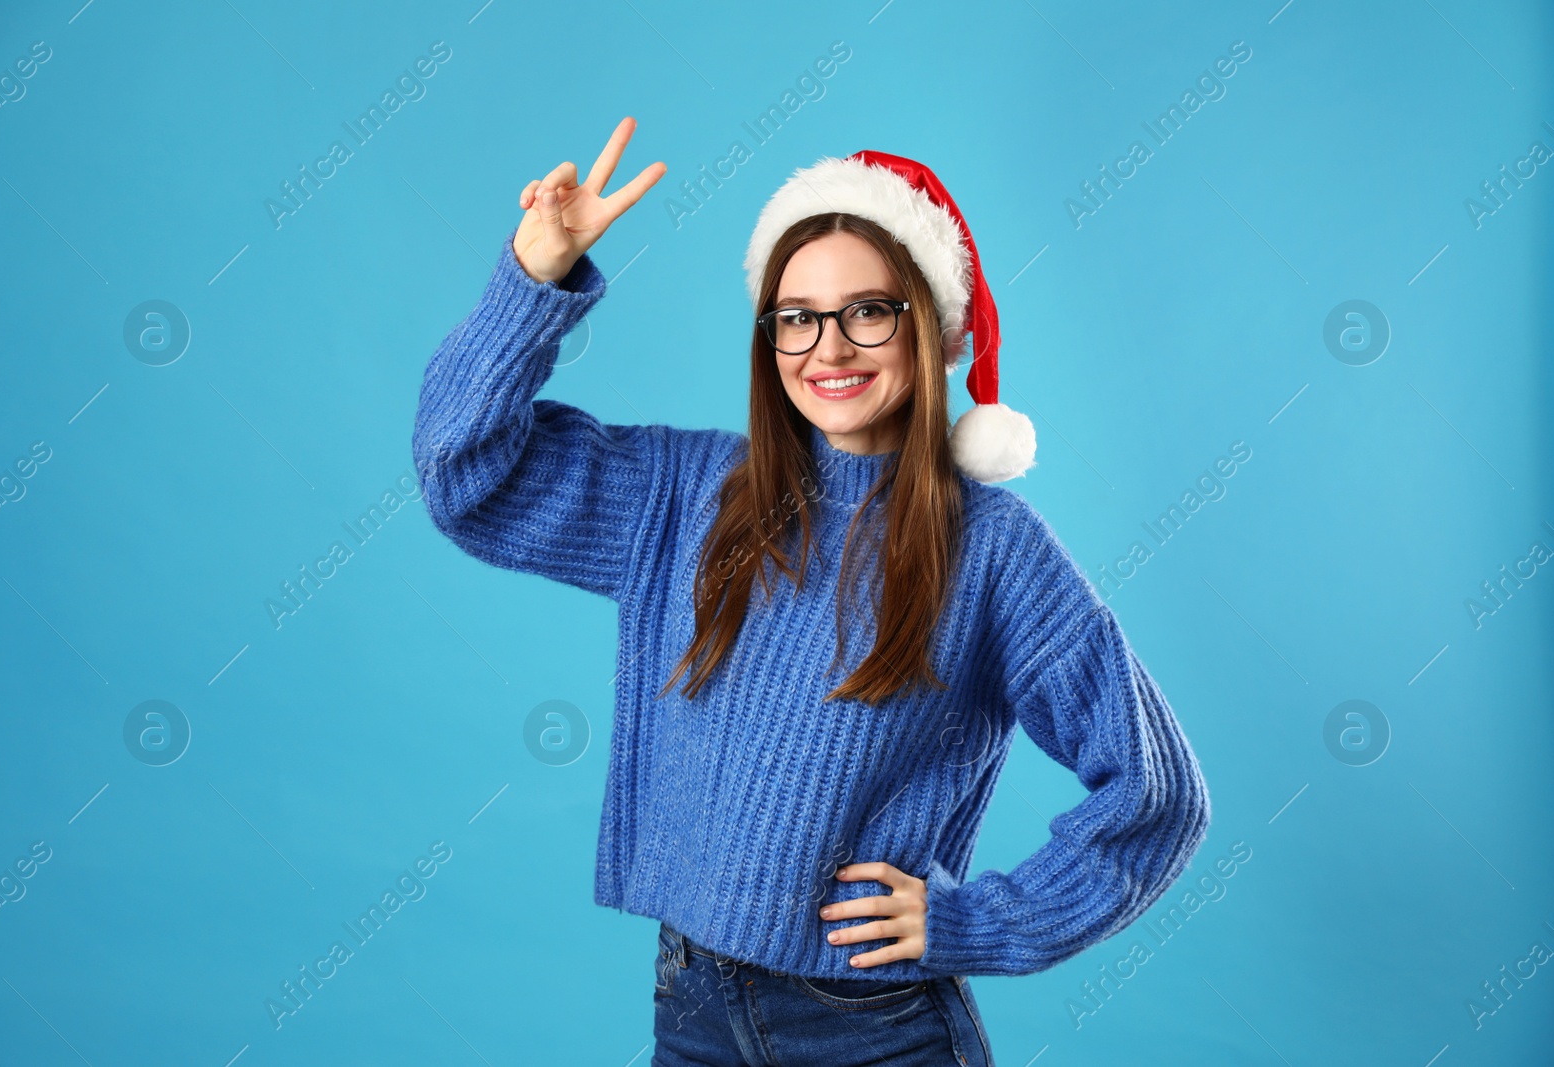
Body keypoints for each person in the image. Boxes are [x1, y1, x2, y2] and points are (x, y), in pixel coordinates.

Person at [412, 115, 1212, 1066]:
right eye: (797, 316)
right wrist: (530, 277)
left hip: (871, 1028)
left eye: (868, 311)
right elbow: (465, 474)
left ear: (929, 326)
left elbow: (1158, 793)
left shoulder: (992, 548)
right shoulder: (684, 493)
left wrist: (977, 921)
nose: (829, 347)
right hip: (693, 1004)